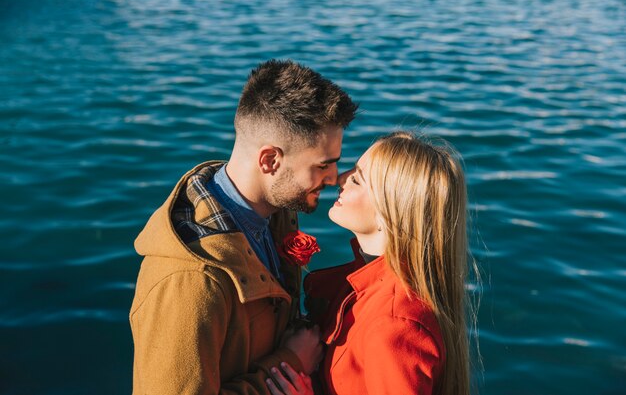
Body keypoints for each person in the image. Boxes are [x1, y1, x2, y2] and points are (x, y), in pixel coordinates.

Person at [129, 59, 358, 395]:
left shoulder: (276, 214)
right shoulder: (190, 281)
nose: (334, 178)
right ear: (270, 161)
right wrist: (291, 363)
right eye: (323, 164)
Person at [267, 131, 476, 395]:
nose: (339, 179)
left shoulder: (395, 326)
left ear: (390, 214)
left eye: (357, 179)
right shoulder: (364, 286)